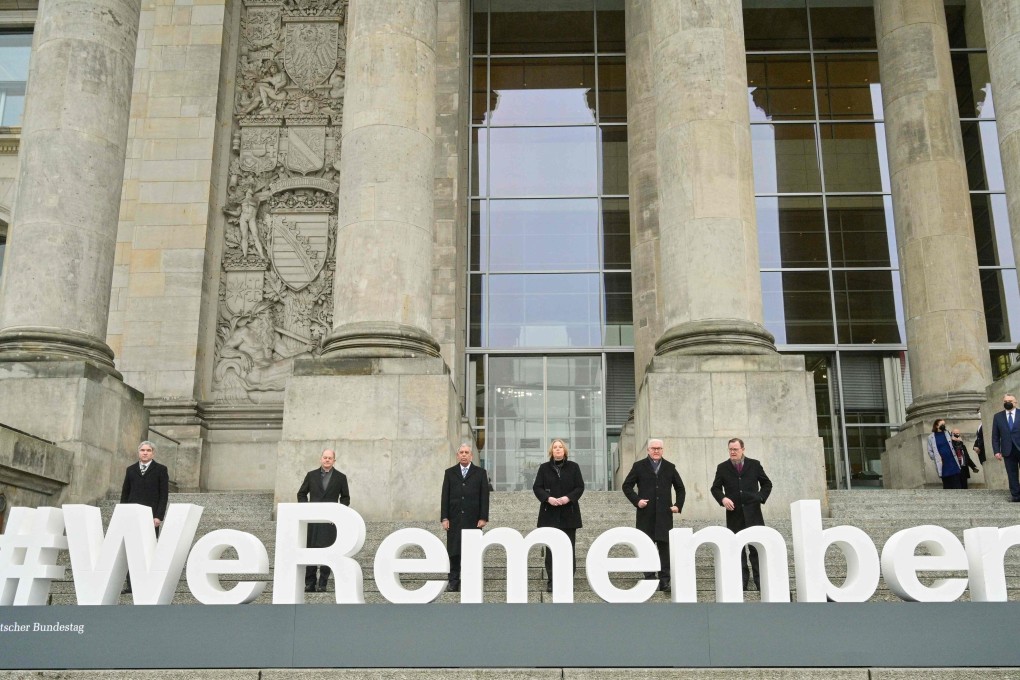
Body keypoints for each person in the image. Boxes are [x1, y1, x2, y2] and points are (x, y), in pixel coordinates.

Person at [622, 438, 685, 592]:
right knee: (647, 546)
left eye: (659, 448)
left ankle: (665, 581)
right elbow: (626, 486)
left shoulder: (670, 467)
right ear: (648, 450)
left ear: (662, 450)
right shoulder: (639, 466)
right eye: (653, 448)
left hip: (664, 515)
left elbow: (680, 488)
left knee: (664, 548)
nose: (656, 451)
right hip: (646, 514)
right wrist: (637, 501)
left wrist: (677, 505)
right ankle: (650, 577)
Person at [710, 438, 772, 591]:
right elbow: (715, 488)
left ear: (743, 449)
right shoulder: (722, 467)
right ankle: (742, 582)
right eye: (730, 449)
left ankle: (760, 583)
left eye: (735, 449)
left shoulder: (755, 465)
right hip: (734, 515)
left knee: (756, 549)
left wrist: (760, 497)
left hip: (753, 513)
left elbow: (767, 483)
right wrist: (723, 498)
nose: (732, 452)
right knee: (738, 551)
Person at [532, 438, 584, 593]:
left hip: (569, 514)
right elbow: (537, 487)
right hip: (549, 514)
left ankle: (568, 580)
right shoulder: (544, 468)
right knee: (550, 550)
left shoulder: (574, 467)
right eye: (555, 447)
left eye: (560, 447)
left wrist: (568, 498)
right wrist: (548, 499)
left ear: (564, 450)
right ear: (551, 451)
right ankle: (552, 580)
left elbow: (579, 487)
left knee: (569, 548)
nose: (558, 449)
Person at [297, 449, 350, 593]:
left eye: (330, 458)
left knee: (328, 552)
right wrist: (306, 510)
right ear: (321, 459)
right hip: (313, 522)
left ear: (334, 461)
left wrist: (338, 514)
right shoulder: (311, 475)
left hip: (330, 523)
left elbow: (345, 498)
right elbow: (301, 494)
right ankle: (310, 583)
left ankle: (323, 583)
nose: (327, 460)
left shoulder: (340, 477)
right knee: (311, 551)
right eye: (325, 457)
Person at [120, 440, 170, 594]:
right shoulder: (130, 470)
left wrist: (158, 516)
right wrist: (123, 514)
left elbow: (164, 495)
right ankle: (131, 584)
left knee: (149, 550)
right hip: (132, 516)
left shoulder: (161, 470)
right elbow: (125, 493)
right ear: (138, 452)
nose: (145, 453)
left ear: (153, 453)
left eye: (148, 450)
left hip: (150, 518)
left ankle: (148, 583)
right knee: (131, 550)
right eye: (143, 450)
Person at [441, 443, 489, 592]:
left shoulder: (480, 473)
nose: (463, 454)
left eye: (466, 452)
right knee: (454, 552)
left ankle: (471, 581)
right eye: (461, 452)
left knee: (471, 552)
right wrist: (444, 518)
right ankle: (454, 581)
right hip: (454, 519)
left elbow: (484, 497)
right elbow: (445, 496)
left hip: (473, 519)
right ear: (457, 455)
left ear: (471, 456)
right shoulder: (449, 473)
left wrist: (483, 517)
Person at [991, 394, 1020, 502]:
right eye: (1005, 401)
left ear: (1015, 402)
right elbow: (995, 436)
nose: (1007, 402)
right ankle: (1016, 496)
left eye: (1010, 400)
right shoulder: (998, 416)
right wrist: (996, 451)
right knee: (1012, 474)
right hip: (1008, 450)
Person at [927, 418, 963, 489]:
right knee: (947, 485)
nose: (944, 425)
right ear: (937, 426)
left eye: (944, 424)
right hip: (943, 464)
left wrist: (957, 439)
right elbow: (930, 451)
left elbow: (958, 441)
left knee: (957, 484)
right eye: (942, 424)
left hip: (952, 461)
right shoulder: (930, 437)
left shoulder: (948, 433)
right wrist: (937, 457)